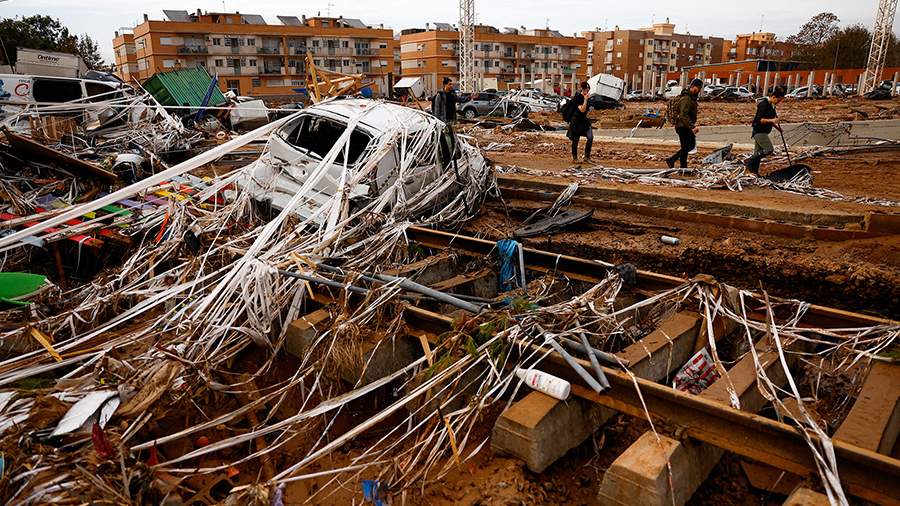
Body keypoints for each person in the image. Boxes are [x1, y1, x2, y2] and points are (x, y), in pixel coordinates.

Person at [745, 85, 786, 175]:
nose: (778, 103)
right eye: (778, 101)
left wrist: (777, 127)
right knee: (769, 149)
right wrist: (772, 120)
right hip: (759, 131)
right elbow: (759, 120)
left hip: (763, 131)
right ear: (773, 97)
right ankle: (749, 160)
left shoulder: (771, 106)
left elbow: (770, 120)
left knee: (758, 155)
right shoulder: (763, 105)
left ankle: (754, 173)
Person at [665, 78, 702, 169]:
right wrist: (692, 127)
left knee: (686, 146)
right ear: (693, 87)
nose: (698, 90)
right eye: (698, 88)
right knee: (689, 146)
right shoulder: (686, 99)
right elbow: (683, 115)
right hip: (682, 126)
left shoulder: (690, 98)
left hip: (684, 126)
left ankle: (681, 165)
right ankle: (674, 160)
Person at [566, 81, 593, 164]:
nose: (587, 92)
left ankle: (587, 157)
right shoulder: (578, 98)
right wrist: (585, 100)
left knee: (590, 137)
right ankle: (575, 158)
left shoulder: (587, 97)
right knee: (576, 140)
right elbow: (582, 109)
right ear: (583, 89)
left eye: (588, 90)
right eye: (586, 90)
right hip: (576, 121)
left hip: (584, 120)